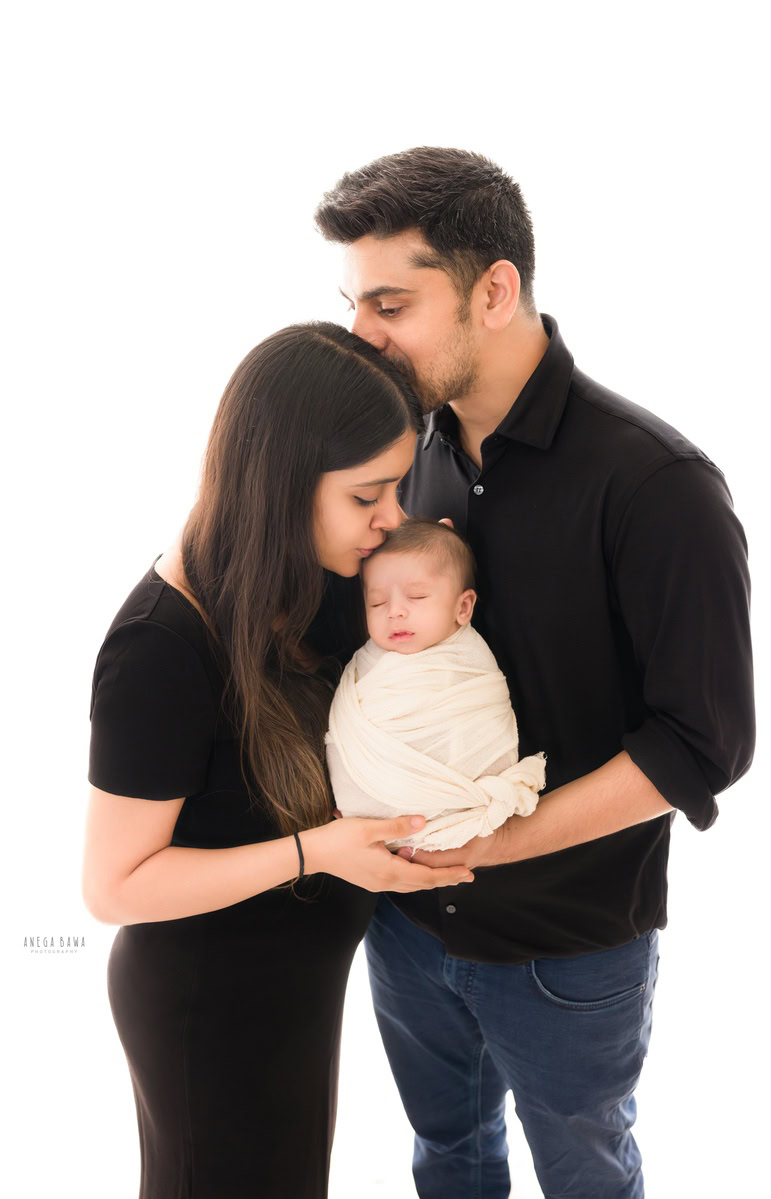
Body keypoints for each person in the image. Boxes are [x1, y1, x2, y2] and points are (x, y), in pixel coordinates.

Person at [315, 148, 756, 1198]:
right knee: (447, 1159)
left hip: (567, 950)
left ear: (494, 290)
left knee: (584, 1174)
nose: (360, 335)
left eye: (390, 302)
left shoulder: (657, 485)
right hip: (404, 930)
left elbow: (701, 743)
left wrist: (493, 841)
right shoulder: (399, 457)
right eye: (350, 303)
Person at [80, 321, 476, 1199]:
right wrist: (318, 851)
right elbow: (113, 887)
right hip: (208, 1013)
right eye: (369, 496)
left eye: (398, 488)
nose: (391, 517)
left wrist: (433, 584)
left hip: (288, 1001)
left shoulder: (311, 579)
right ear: (283, 485)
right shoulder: (158, 648)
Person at [325, 517, 547, 852]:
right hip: (358, 838)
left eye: (416, 596)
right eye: (377, 602)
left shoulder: (466, 667)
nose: (395, 611)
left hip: (453, 828)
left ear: (463, 606)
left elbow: (482, 736)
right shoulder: (366, 663)